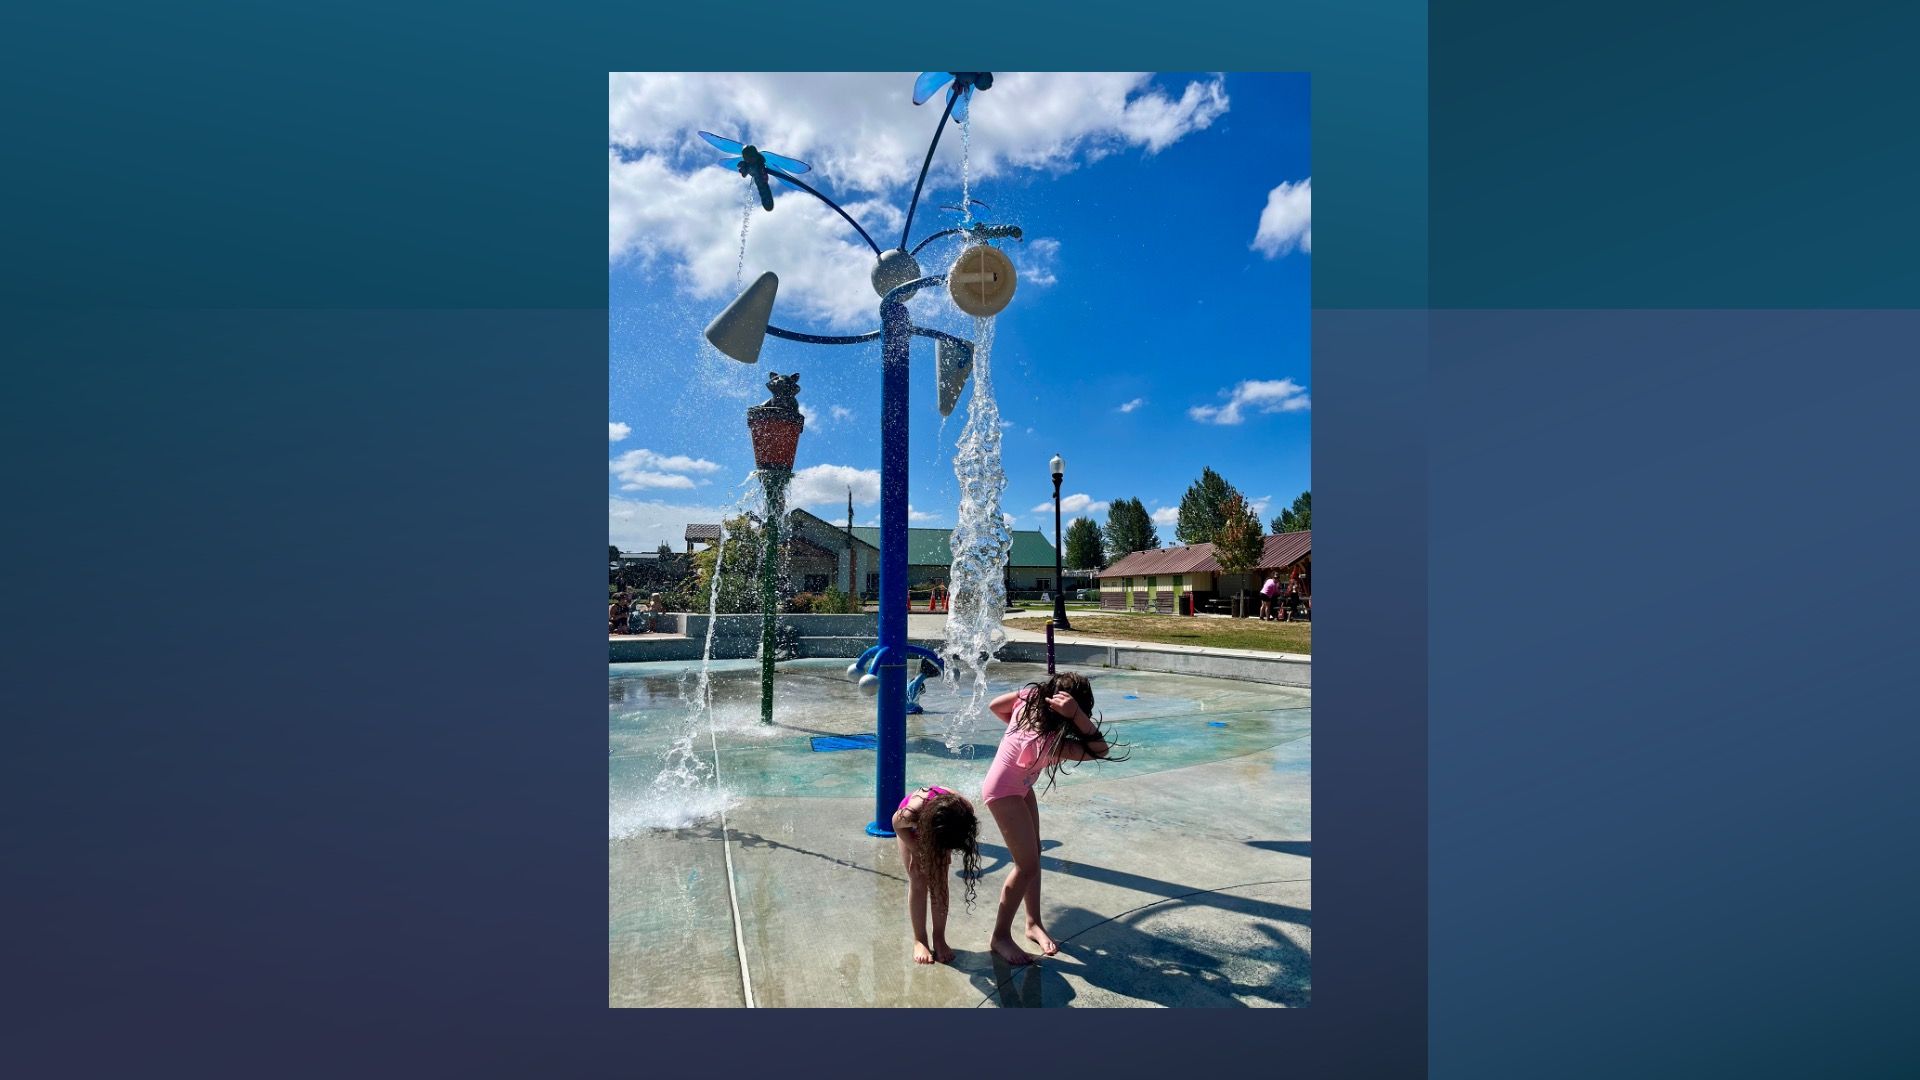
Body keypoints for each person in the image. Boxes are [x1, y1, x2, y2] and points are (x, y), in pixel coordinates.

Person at [981, 672, 1125, 966]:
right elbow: (1101, 750)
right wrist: (1079, 717)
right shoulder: (1049, 744)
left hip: (1019, 786)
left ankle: (1032, 922)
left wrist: (1013, 731)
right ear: (1069, 715)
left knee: (1033, 853)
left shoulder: (1029, 698)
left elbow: (996, 706)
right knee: (1026, 865)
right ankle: (999, 936)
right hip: (1003, 793)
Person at [890, 785, 981, 965]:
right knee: (918, 879)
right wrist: (916, 851)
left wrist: (945, 849)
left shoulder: (965, 810)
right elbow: (896, 824)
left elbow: (957, 830)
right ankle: (920, 939)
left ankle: (939, 938)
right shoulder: (910, 813)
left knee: (939, 884)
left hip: (944, 825)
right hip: (910, 829)